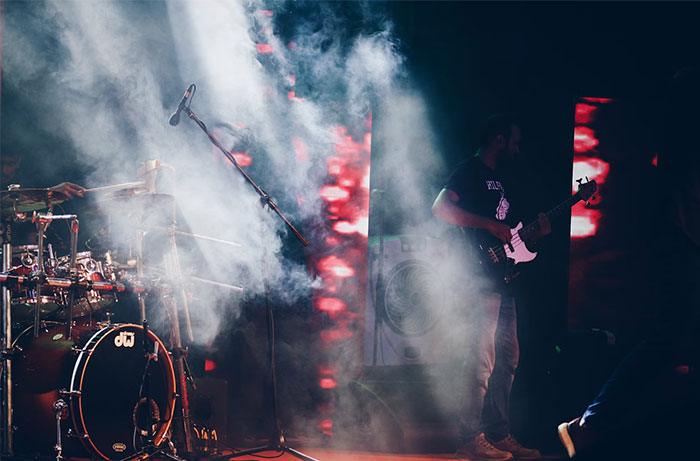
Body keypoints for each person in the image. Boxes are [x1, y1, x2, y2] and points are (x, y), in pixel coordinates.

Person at [557, 69, 700, 459]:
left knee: (669, 340)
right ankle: (591, 424)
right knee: (666, 339)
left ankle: (593, 424)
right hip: (683, 240)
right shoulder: (663, 152)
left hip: (680, 237)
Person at [432, 114, 549, 461]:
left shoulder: (500, 179)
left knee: (508, 359)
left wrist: (533, 234)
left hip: (504, 281)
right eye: (514, 140)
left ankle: (497, 435)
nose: (518, 147)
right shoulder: (468, 171)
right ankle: (468, 439)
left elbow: (507, 234)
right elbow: (440, 209)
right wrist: (488, 224)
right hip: (478, 279)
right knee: (482, 361)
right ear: (499, 139)